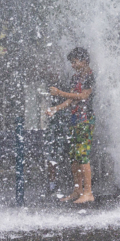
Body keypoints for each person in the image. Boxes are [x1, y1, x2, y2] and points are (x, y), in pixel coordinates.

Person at [46, 47, 95, 204]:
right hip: (75, 119)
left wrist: (60, 92)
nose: (72, 65)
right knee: (74, 157)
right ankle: (77, 190)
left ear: (84, 60)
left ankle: (88, 192)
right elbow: (72, 99)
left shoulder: (89, 76)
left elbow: (83, 96)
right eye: (71, 62)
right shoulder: (75, 78)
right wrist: (56, 108)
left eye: (74, 62)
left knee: (83, 155)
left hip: (85, 119)